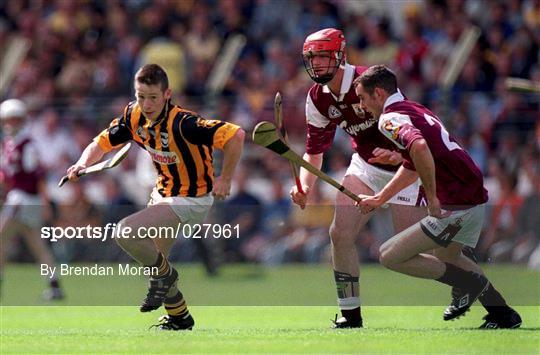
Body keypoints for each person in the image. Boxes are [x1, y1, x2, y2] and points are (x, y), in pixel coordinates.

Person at [66, 64, 245, 330]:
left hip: (192, 198)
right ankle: (180, 317)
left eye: (153, 97)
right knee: (154, 259)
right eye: (141, 96)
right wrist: (81, 163)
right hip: (163, 194)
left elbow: (236, 135)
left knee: (125, 233)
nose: (146, 104)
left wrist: (226, 178)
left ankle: (165, 276)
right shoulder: (134, 116)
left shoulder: (185, 123)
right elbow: (102, 143)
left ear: (167, 94)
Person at [353, 64, 521, 329]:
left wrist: (431, 197)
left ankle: (469, 283)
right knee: (448, 257)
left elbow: (419, 147)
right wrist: (380, 197)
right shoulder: (414, 108)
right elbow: (414, 163)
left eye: (362, 98)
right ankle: (503, 314)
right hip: (472, 195)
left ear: (378, 93)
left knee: (388, 255)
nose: (362, 106)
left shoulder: (389, 119)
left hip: (455, 202)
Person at [291, 28, 429, 328]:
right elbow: (314, 152)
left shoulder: (370, 80)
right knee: (339, 234)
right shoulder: (317, 98)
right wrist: (304, 186)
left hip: (405, 169)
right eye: (311, 59)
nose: (316, 66)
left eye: (322, 58)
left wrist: (397, 156)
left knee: (412, 250)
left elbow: (406, 121)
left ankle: (476, 287)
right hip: (366, 168)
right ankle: (350, 314)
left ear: (340, 56)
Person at [0, 99, 64, 301]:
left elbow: (36, 177)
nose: (10, 124)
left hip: (22, 199)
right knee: (36, 244)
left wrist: (44, 201)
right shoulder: (11, 143)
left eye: (14, 119)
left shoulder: (27, 145)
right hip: (19, 198)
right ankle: (54, 286)